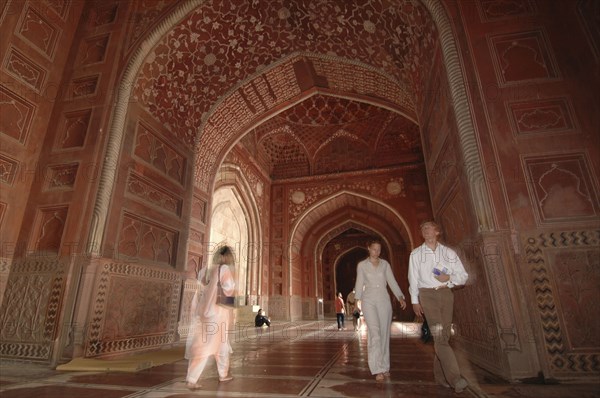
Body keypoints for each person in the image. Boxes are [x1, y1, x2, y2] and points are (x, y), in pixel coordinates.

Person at [408, 221, 469, 393]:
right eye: (422, 228)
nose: (425, 230)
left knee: (443, 337)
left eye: (428, 227)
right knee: (439, 334)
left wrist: (449, 280)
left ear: (437, 231)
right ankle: (455, 379)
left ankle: (440, 376)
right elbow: (413, 278)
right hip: (427, 295)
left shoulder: (448, 253)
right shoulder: (416, 254)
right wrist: (415, 301)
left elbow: (463, 276)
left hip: (445, 294)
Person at [354, 239, 407, 382]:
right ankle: (377, 369)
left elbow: (392, 281)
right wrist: (356, 301)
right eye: (374, 249)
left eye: (379, 249)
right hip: (368, 300)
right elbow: (359, 283)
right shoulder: (362, 265)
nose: (376, 252)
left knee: (384, 333)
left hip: (384, 299)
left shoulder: (385, 265)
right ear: (368, 248)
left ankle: (385, 366)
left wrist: (400, 297)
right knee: (375, 333)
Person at [185, 245, 236, 390]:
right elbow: (229, 288)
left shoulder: (206, 270)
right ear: (228, 257)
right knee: (209, 346)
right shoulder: (224, 269)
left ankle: (222, 374)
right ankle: (193, 379)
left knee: (217, 344)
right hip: (217, 313)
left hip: (204, 312)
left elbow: (200, 289)